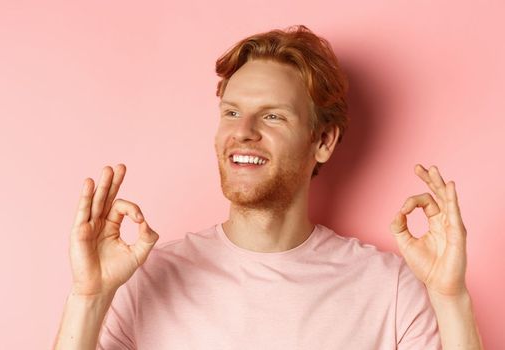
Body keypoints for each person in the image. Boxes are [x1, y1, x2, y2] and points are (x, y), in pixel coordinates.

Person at [53, 25, 484, 349]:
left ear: (322, 141)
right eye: (231, 112)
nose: (243, 132)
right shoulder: (146, 281)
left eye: (273, 116)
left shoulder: (386, 290)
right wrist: (87, 298)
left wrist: (451, 298)